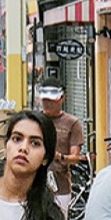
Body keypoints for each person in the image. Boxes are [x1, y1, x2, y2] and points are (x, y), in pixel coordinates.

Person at [40, 81, 85, 211]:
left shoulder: (72, 123)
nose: (48, 104)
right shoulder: (35, 120)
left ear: (62, 98)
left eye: (52, 100)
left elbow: (75, 158)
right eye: (45, 100)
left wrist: (59, 156)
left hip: (60, 186)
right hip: (35, 184)